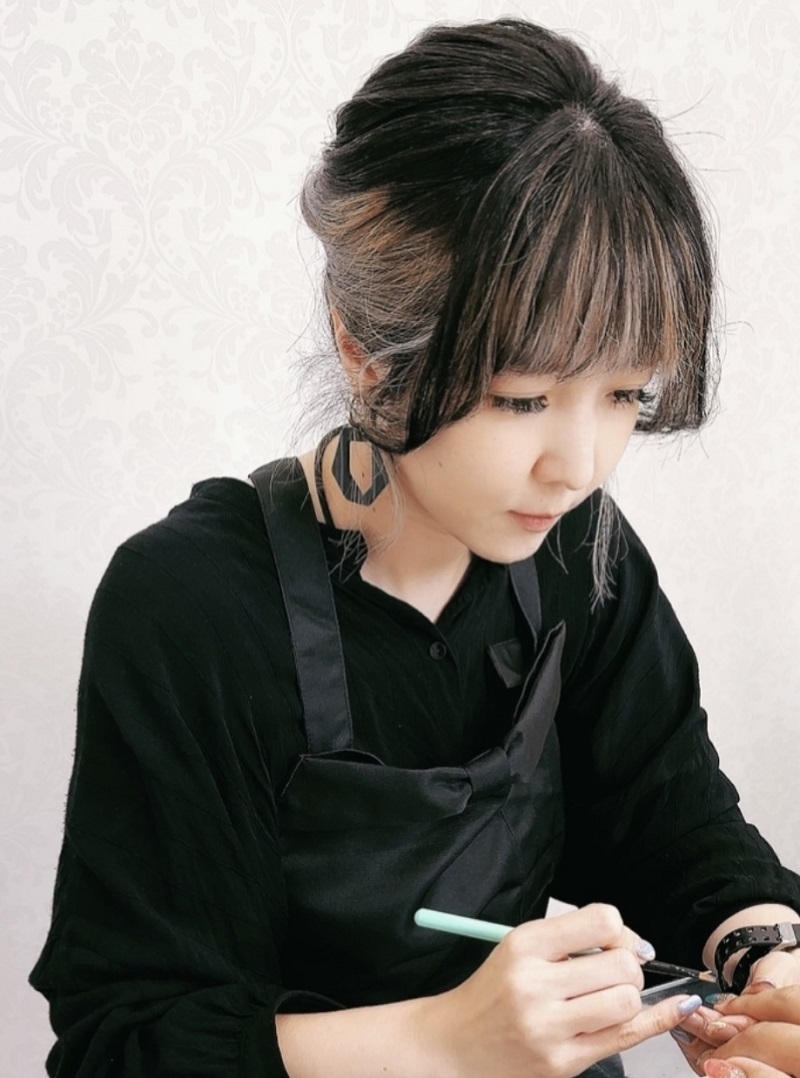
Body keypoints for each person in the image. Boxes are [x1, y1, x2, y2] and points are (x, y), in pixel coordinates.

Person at [29, 16, 800, 1078]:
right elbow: (126, 1043)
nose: (579, 465)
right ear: (365, 351)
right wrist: (446, 1041)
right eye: (521, 397)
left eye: (626, 392)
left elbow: (669, 818)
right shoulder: (191, 606)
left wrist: (764, 956)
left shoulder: (579, 554)